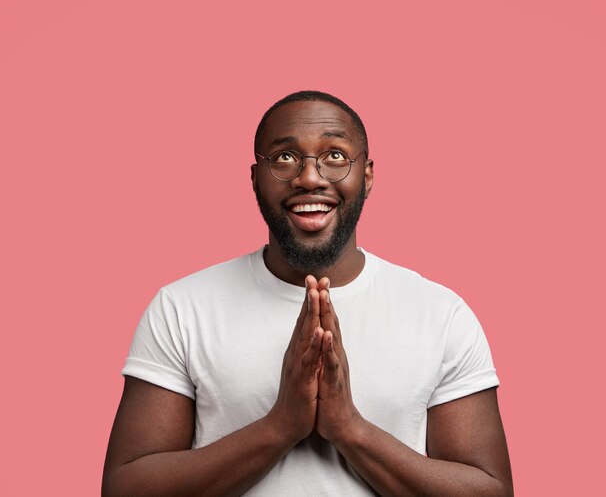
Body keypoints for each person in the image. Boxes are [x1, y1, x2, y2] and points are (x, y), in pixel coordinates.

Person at [102, 91, 513, 496]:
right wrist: (280, 426)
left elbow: (490, 491)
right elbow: (125, 488)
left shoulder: (441, 314)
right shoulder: (181, 308)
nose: (310, 177)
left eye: (335, 155)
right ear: (255, 179)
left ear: (366, 176)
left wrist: (350, 429)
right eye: (285, 157)